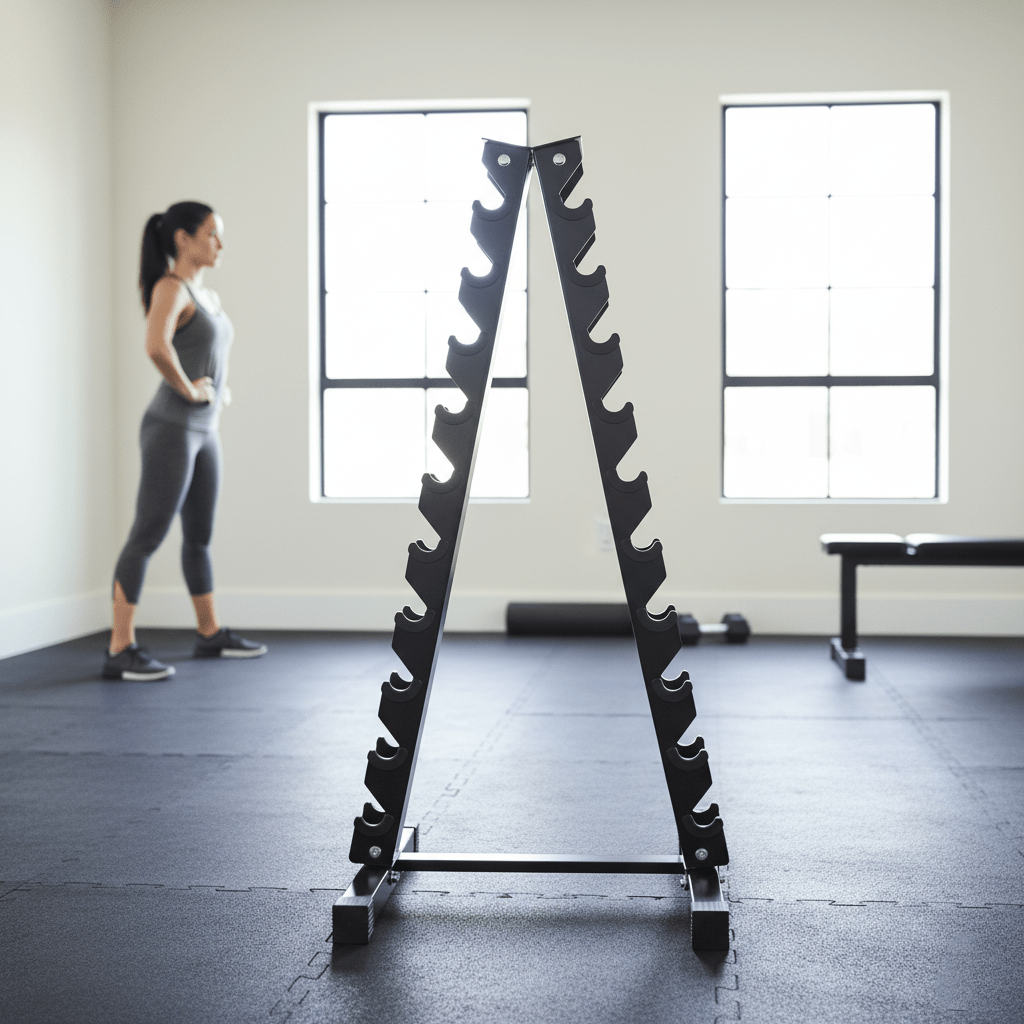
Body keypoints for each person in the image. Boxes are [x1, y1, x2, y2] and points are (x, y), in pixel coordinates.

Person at [103, 201, 266, 681]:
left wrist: (215, 389)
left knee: (199, 537)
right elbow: (156, 345)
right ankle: (119, 647)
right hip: (171, 428)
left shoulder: (205, 294)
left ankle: (209, 633)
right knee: (147, 535)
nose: (220, 243)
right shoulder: (171, 287)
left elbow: (204, 352)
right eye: (212, 234)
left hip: (205, 429)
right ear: (183, 239)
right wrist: (191, 389)